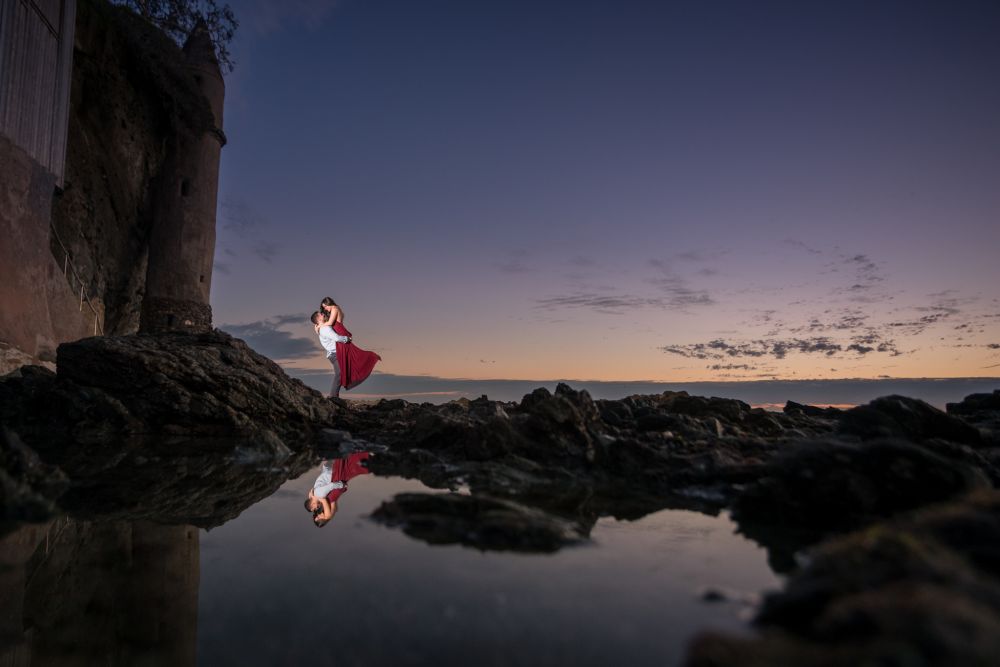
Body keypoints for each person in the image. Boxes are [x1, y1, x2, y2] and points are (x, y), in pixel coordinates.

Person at [317, 296, 382, 392]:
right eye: (324, 307)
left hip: (340, 333)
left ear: (329, 303)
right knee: (351, 357)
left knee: (353, 355)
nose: (325, 309)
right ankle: (370, 357)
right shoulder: (333, 310)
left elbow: (330, 322)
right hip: (340, 334)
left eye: (325, 306)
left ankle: (371, 357)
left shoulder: (335, 308)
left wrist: (320, 325)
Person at [304, 452, 373, 527]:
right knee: (350, 467)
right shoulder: (326, 514)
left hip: (334, 480)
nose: (316, 511)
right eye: (317, 517)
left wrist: (341, 486)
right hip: (334, 479)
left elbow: (331, 495)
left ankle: (368, 460)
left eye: (314, 509)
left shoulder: (321, 499)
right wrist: (314, 496)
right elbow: (327, 501)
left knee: (350, 468)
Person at [311, 310, 351, 398]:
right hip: (334, 354)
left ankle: (334, 395)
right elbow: (336, 338)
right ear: (318, 319)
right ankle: (333, 396)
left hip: (333, 353)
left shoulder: (322, 327)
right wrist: (347, 339)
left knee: (341, 373)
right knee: (339, 374)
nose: (323, 314)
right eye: (320, 314)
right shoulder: (325, 329)